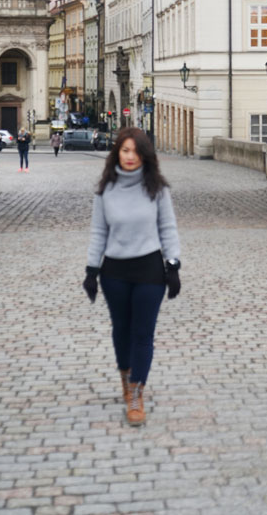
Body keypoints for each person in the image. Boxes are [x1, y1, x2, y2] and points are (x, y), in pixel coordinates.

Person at [83, 127, 181, 426]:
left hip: (149, 271)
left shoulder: (157, 189)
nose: (130, 157)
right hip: (115, 272)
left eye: (136, 152)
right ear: (117, 153)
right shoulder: (105, 190)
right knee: (121, 331)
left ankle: (137, 391)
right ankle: (126, 379)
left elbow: (168, 228)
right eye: (125, 151)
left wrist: (173, 265)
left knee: (143, 334)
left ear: (144, 156)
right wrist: (91, 270)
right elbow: (99, 231)